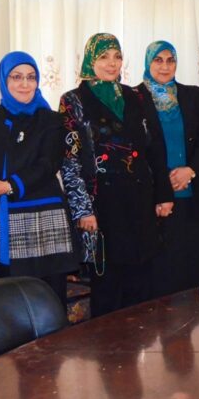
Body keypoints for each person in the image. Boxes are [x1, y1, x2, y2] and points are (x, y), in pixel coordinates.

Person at [59, 33, 174, 318]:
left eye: (117, 56)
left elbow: (155, 147)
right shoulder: (73, 100)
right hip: (102, 204)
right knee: (108, 284)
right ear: (90, 61)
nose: (112, 63)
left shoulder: (136, 96)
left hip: (140, 199)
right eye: (103, 57)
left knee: (142, 282)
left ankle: (142, 339)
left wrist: (163, 194)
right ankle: (109, 345)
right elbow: (70, 161)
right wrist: (83, 210)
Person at [0, 51, 79, 304]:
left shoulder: (52, 120)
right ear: (4, 80)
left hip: (41, 222)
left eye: (31, 77)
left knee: (46, 302)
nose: (25, 84)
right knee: (2, 303)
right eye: (16, 77)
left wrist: (7, 186)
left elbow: (48, 165)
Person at [137, 40, 199, 296]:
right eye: (158, 60)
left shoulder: (192, 95)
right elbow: (137, 148)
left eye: (170, 60)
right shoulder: (135, 98)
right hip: (157, 197)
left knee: (196, 264)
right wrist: (162, 181)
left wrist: (190, 170)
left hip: (193, 192)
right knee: (164, 268)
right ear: (148, 63)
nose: (165, 66)